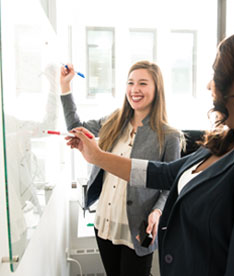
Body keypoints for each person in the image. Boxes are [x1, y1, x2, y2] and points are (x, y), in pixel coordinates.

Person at [65, 28, 234, 276]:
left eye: (217, 74)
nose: (209, 84)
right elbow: (163, 174)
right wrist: (97, 157)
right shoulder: (223, 142)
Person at [60, 60, 183, 276]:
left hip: (137, 227)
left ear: (157, 89)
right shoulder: (114, 120)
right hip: (105, 222)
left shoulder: (169, 136)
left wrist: (157, 211)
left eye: (143, 83)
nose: (135, 89)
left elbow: (170, 184)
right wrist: (65, 87)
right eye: (130, 82)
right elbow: (74, 128)